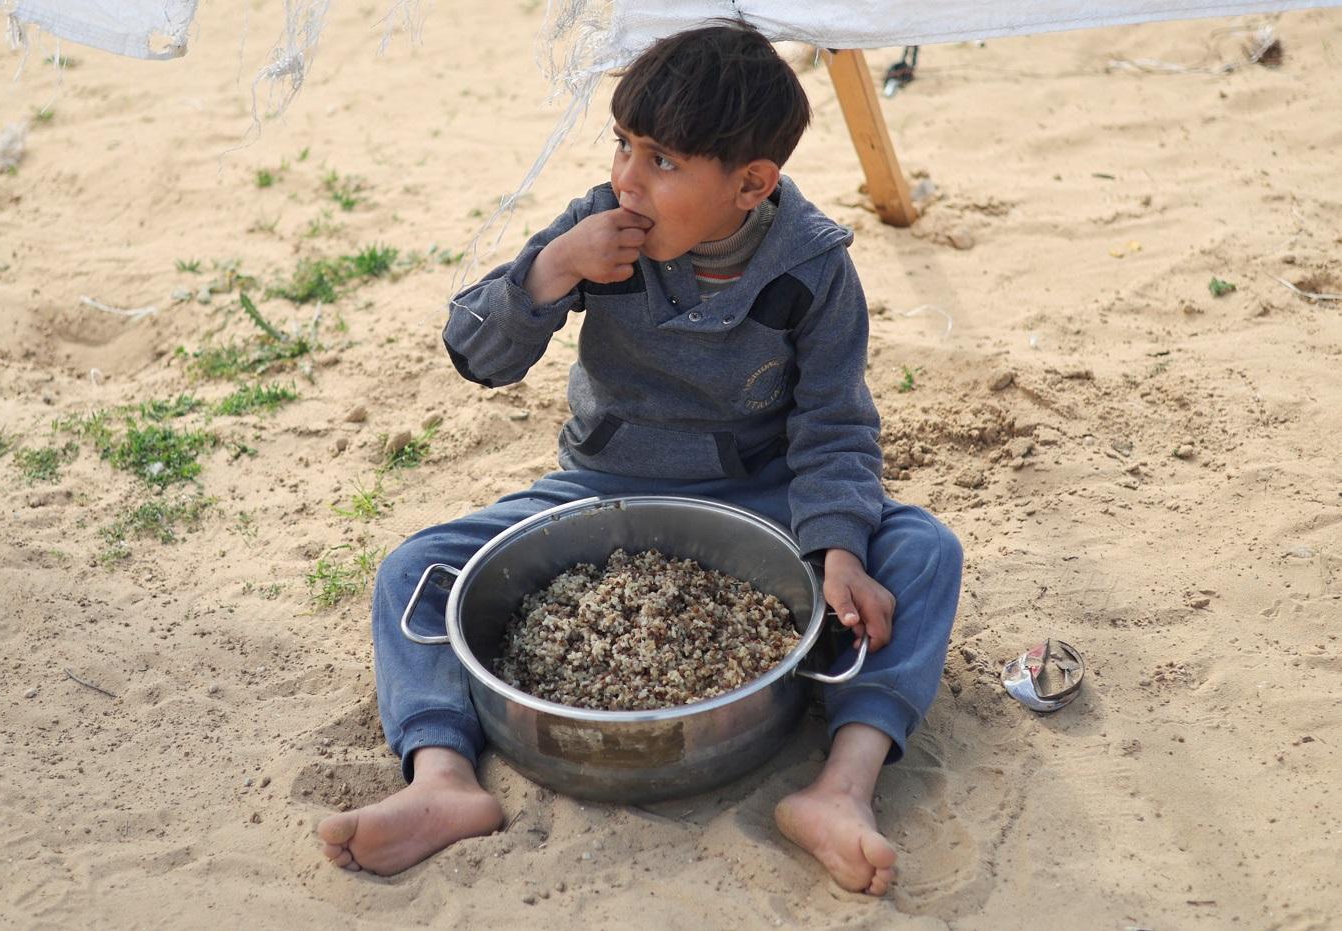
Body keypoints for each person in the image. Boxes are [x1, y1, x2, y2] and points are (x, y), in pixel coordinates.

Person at [318, 21, 962, 896]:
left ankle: (839, 787)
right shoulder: (597, 229)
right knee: (415, 570)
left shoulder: (810, 272)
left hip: (761, 503)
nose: (626, 177)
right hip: (603, 490)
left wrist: (838, 549)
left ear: (750, 184)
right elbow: (478, 353)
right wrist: (547, 272)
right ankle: (443, 780)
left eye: (660, 160)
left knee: (923, 554)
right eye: (622, 144)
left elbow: (834, 425)